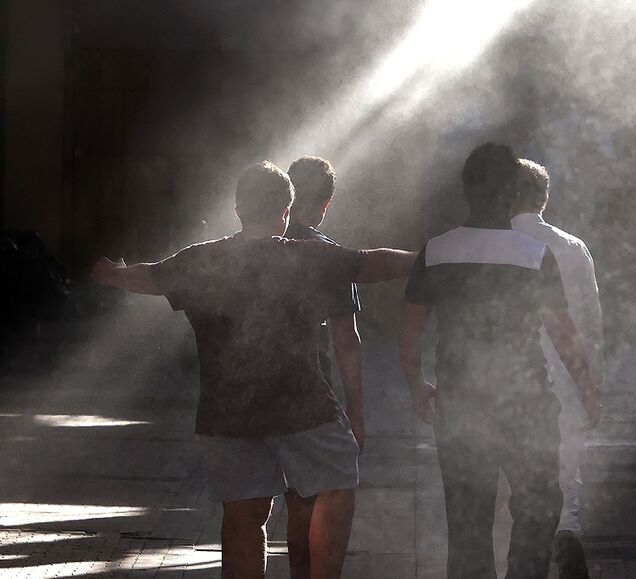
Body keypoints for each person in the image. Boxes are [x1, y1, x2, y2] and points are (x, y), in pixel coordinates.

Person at [91, 161, 416, 579]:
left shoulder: (201, 261)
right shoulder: (305, 257)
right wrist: (427, 257)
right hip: (301, 408)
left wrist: (112, 273)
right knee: (336, 480)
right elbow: (370, 264)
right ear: (286, 212)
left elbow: (148, 277)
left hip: (226, 415)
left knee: (244, 517)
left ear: (238, 208)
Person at [399, 143, 596, 579]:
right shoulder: (532, 254)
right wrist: (587, 391)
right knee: (539, 505)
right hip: (525, 404)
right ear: (512, 193)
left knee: (467, 523)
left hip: (460, 404)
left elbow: (410, 332)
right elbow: (564, 336)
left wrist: (416, 384)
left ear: (466, 191)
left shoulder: (436, 251)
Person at [510, 159, 603, 579]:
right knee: (567, 477)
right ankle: (567, 532)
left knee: (510, 485)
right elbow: (589, 322)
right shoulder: (573, 247)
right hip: (564, 381)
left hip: (509, 382)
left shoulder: (496, 242)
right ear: (544, 199)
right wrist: (591, 388)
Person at [282, 155, 364, 579]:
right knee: (324, 491)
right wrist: (357, 412)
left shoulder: (247, 249)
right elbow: (346, 340)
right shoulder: (329, 255)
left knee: (270, 504)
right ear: (326, 204)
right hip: (310, 393)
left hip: (247, 391)